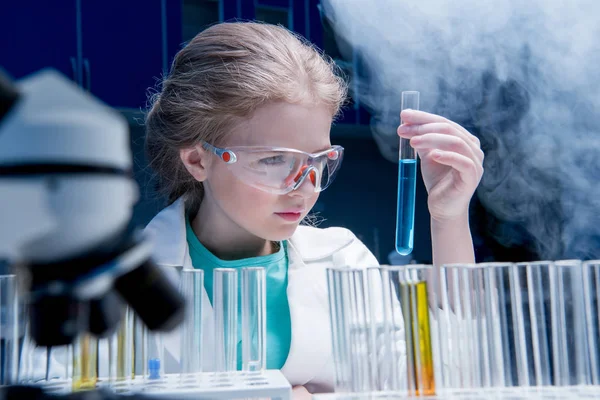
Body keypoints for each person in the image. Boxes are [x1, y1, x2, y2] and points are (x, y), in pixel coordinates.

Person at [143, 21, 484, 398]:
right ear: (197, 159)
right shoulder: (128, 279)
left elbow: (439, 385)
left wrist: (449, 220)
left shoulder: (342, 261)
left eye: (319, 160)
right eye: (274, 159)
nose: (305, 184)